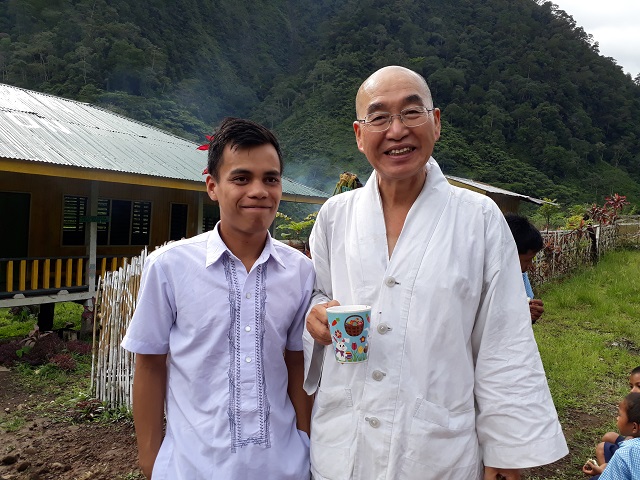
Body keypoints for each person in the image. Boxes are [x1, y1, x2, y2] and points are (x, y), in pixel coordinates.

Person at [303, 66, 568, 480]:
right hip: (345, 442)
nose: (396, 130)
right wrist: (316, 316)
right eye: (378, 117)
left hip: (436, 447)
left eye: (411, 113)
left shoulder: (479, 218)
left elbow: (504, 339)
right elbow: (317, 293)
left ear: (436, 122)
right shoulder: (336, 216)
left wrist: (504, 453)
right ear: (359, 134)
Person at [121, 118, 314, 480]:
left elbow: (296, 364)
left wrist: (306, 442)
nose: (259, 190)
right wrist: (151, 461)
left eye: (270, 178)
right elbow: (149, 365)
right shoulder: (170, 267)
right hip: (192, 468)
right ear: (212, 185)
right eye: (241, 178)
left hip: (285, 467)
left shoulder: (300, 272)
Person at [587, 367, 640, 477]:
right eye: (631, 386)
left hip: (630, 454)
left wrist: (605, 471)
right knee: (608, 437)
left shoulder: (625, 453)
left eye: (639, 386)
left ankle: (608, 469)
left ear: (634, 427)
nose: (632, 391)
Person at [504, 213, 545, 323]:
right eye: (527, 260)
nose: (530, 266)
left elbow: (526, 304)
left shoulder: (521, 275)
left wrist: (531, 315)